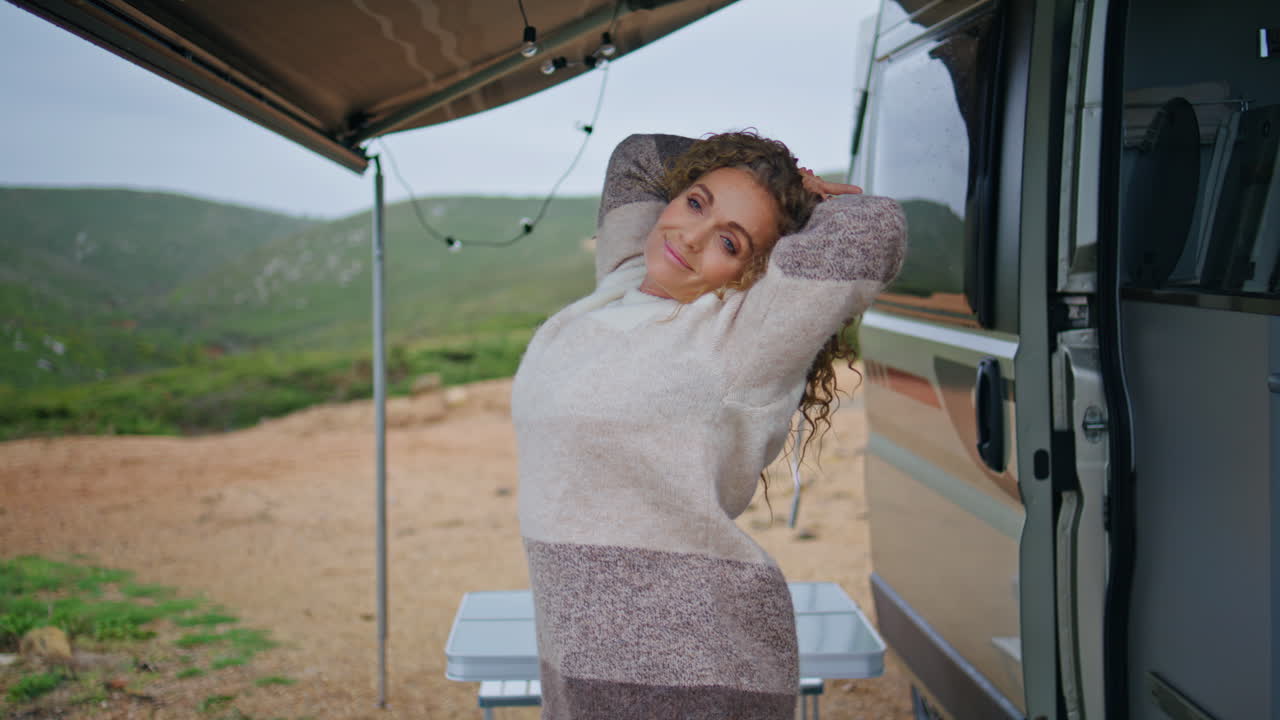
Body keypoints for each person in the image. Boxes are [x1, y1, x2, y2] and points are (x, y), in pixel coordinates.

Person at [512, 131, 906, 719]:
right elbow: (638, 156)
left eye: (729, 241)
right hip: (581, 668)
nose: (691, 238)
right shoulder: (621, 282)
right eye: (696, 201)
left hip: (695, 673)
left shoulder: (745, 340)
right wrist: (767, 169)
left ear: (758, 272)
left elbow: (875, 231)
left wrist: (815, 199)